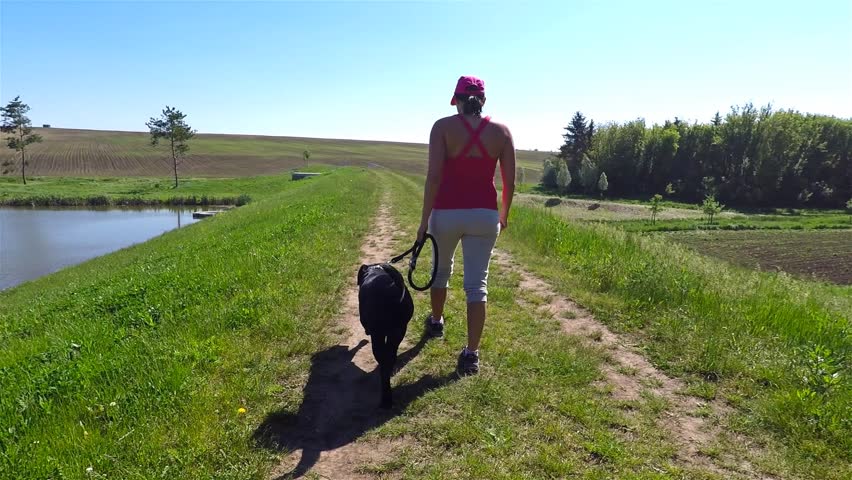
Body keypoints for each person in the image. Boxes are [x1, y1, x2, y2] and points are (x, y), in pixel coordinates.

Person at [416, 75, 516, 376]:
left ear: (456, 99)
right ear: (482, 100)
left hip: (445, 212)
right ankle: (471, 354)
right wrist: (504, 214)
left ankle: (436, 321)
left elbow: (434, 177)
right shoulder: (501, 132)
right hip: (484, 215)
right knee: (477, 285)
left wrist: (423, 222)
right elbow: (509, 181)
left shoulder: (442, 128)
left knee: (441, 269)